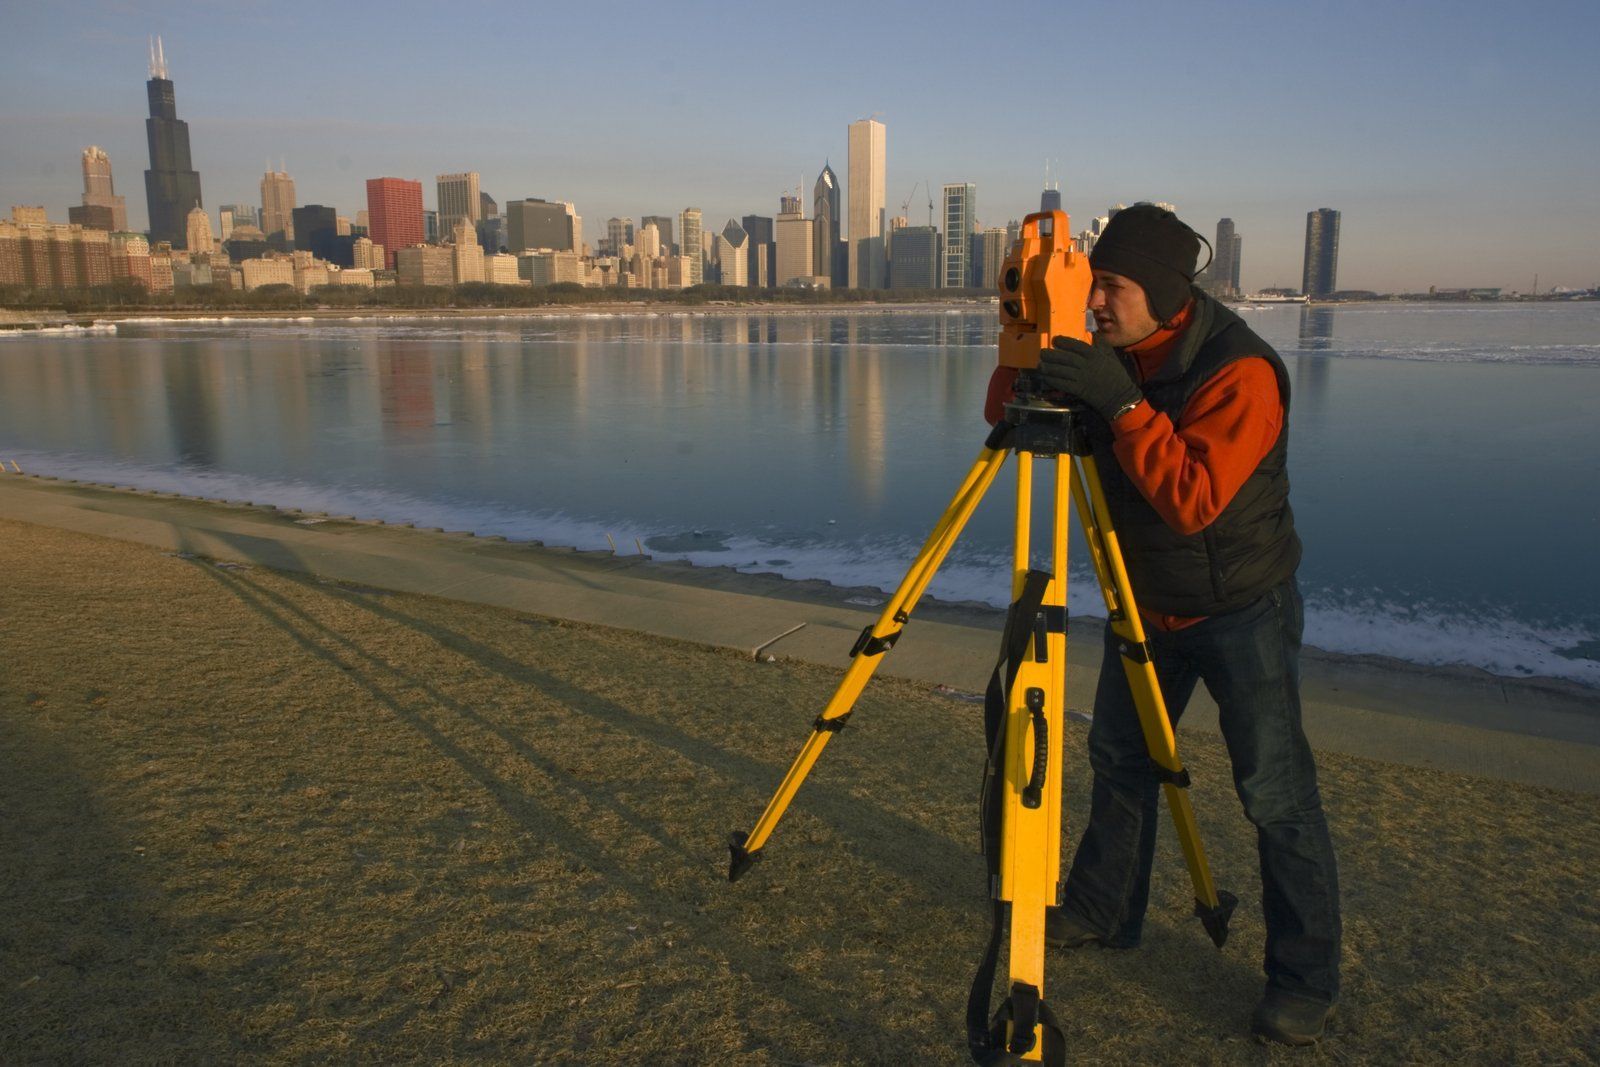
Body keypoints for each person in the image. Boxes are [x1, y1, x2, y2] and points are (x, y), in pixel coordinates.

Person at [984, 203, 1342, 1046]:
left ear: (1167, 293)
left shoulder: (1240, 370)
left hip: (1240, 605)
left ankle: (1303, 977)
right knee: (1119, 760)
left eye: (1112, 288)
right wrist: (1024, 332)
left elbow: (1192, 499)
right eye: (1092, 283)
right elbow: (1004, 420)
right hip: (1143, 600)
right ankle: (1107, 909)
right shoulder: (1102, 348)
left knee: (1275, 794)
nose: (1097, 303)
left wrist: (1123, 405)